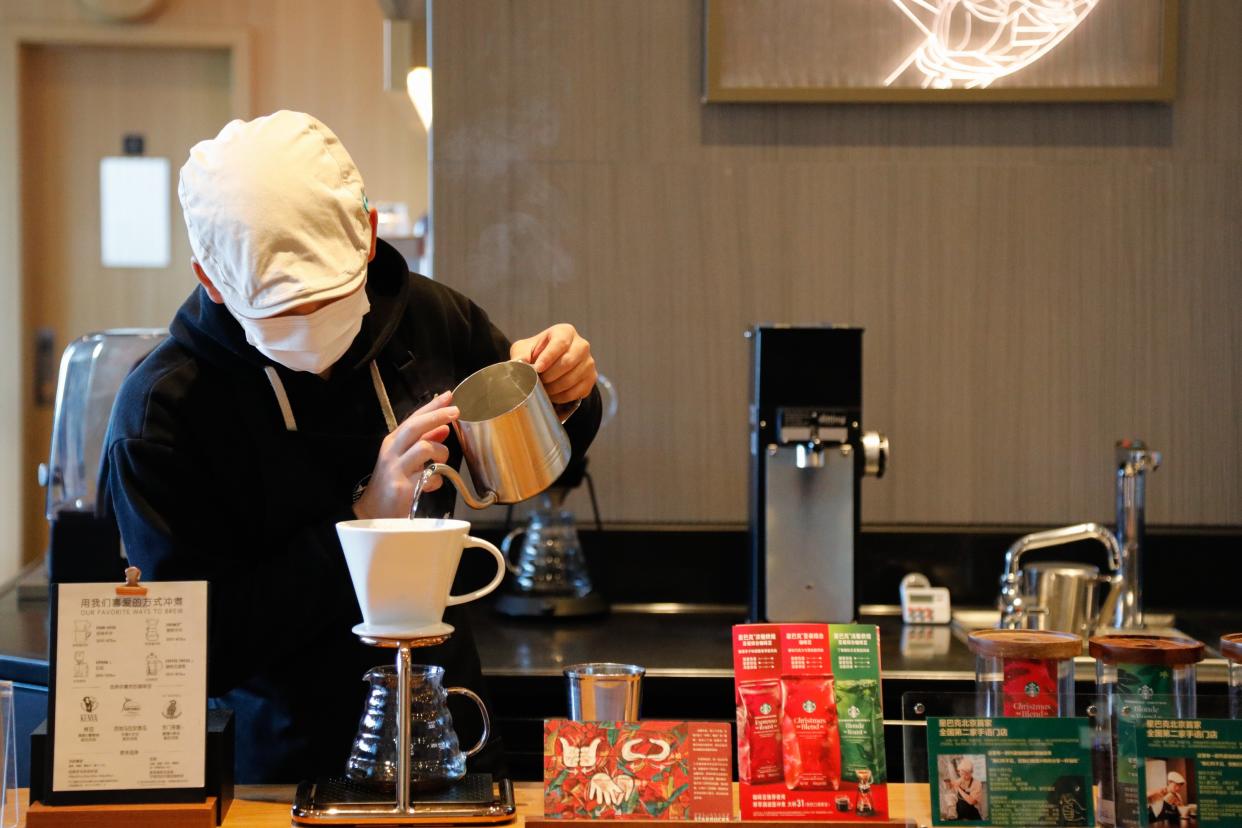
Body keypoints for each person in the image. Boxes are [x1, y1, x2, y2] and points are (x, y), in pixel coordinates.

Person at [99, 110, 602, 782]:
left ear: (366, 235)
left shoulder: (428, 318)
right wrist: (366, 516)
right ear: (213, 281)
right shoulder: (165, 412)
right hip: (277, 768)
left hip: (450, 732)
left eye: (330, 299)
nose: (311, 327)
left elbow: (530, 457)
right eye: (281, 311)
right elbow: (188, 653)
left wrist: (565, 394)